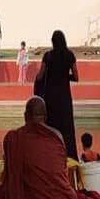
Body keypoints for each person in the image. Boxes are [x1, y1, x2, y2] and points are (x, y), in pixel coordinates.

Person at [0, 97, 100, 199]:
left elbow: (10, 175)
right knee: (83, 197)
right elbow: (62, 169)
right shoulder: (56, 136)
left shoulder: (13, 138)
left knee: (1, 190)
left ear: (25, 116)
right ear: (45, 117)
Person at [34, 30, 79, 159]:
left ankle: (50, 156)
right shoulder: (70, 56)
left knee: (51, 126)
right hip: (64, 97)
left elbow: (40, 76)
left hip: (50, 97)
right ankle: (68, 155)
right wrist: (65, 76)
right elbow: (76, 77)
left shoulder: (48, 56)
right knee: (66, 128)